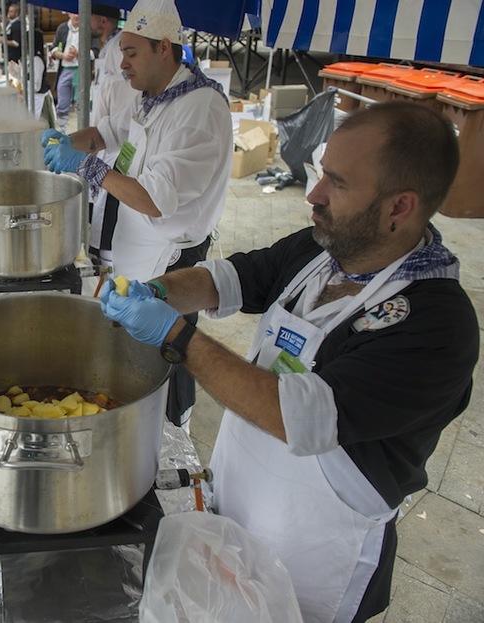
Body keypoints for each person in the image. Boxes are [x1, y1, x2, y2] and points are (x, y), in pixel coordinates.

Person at [99, 101, 479, 622]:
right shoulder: (324, 251)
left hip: (314, 559)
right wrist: (157, 291)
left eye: (337, 183)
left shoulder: (435, 326)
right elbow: (229, 278)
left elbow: (296, 414)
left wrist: (175, 336)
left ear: (399, 208)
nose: (314, 194)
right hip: (238, 513)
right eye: (322, 172)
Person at [42, 0, 231, 428]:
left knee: (167, 350)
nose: (122, 63)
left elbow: (156, 199)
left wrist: (88, 166)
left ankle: (171, 432)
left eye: (130, 53)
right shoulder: (154, 97)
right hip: (136, 249)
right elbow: (108, 132)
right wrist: (67, 143)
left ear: (163, 48)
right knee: (134, 351)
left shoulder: (198, 108)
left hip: (170, 260)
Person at [87, 3, 137, 269]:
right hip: (110, 144)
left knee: (108, 220)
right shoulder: (110, 49)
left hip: (117, 153)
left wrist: (90, 152)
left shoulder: (117, 53)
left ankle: (106, 264)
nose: (126, 63)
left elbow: (107, 124)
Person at [52, 13, 80, 132]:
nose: (76, 15)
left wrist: (78, 53)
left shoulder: (88, 28)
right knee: (62, 101)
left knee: (80, 102)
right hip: (65, 68)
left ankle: (80, 130)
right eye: (73, 12)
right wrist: (63, 55)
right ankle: (61, 130)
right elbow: (54, 49)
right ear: (68, 14)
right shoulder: (62, 28)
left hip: (80, 69)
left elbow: (95, 51)